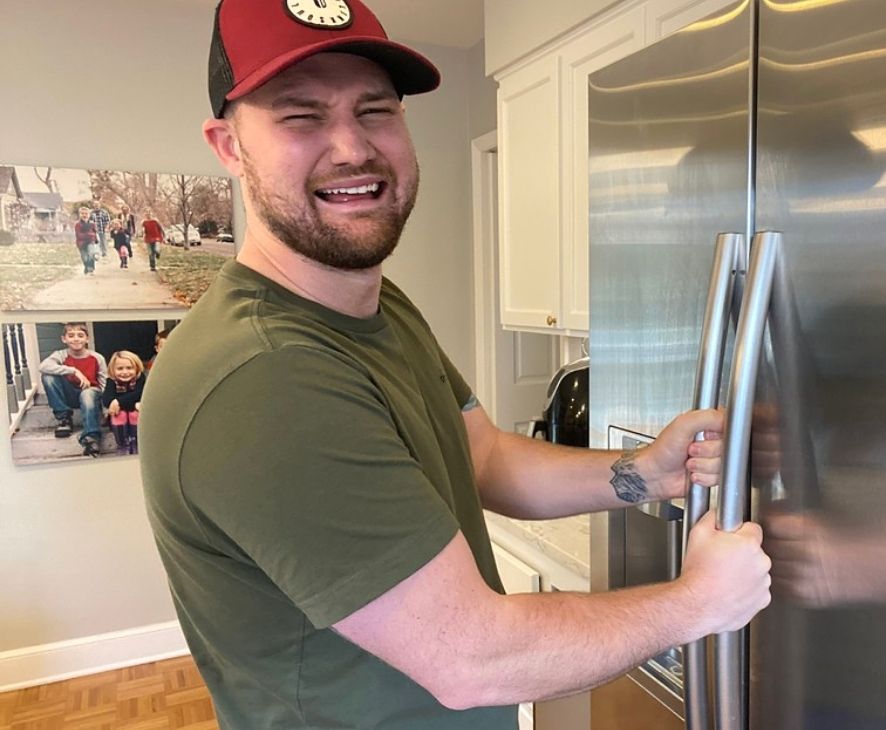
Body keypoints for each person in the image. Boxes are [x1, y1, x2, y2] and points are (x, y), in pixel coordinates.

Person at [139, 1, 771, 728]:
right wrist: (696, 604)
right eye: (301, 117)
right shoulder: (264, 376)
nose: (352, 148)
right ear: (228, 145)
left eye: (375, 111)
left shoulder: (374, 306)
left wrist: (643, 476)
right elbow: (473, 657)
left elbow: (484, 457)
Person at [39, 322, 107, 457]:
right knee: (48, 377)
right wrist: (74, 371)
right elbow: (43, 366)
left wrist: (105, 408)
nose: (76, 339)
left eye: (80, 335)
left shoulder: (97, 358)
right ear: (64, 339)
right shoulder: (60, 355)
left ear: (87, 339)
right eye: (71, 335)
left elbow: (104, 384)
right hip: (70, 395)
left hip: (91, 397)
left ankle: (91, 438)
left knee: (87, 393)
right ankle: (64, 419)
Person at [102, 350, 145, 455]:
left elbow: (139, 394)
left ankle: (136, 443)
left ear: (137, 368)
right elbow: (107, 400)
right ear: (113, 370)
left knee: (135, 413)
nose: (125, 372)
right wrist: (131, 404)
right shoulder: (111, 381)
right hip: (118, 417)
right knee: (119, 414)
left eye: (129, 368)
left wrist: (118, 401)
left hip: (136, 416)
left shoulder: (140, 379)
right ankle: (122, 445)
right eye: (120, 368)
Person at [73, 206, 98, 275]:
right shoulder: (78, 224)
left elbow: (95, 232)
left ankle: (91, 269)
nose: (84, 215)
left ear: (89, 215)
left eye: (86, 214)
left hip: (91, 242)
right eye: (82, 213)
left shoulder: (92, 224)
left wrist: (95, 239)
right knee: (85, 257)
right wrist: (89, 235)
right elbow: (79, 235)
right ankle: (86, 266)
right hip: (81, 243)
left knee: (91, 254)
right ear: (79, 215)